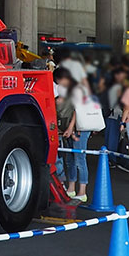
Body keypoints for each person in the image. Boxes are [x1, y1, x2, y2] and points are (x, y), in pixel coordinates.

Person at [54, 67, 89, 202]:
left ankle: (82, 191)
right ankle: (71, 188)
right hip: (71, 128)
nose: (59, 84)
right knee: (70, 159)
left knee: (80, 159)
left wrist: (70, 127)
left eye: (60, 81)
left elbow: (78, 110)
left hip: (80, 127)